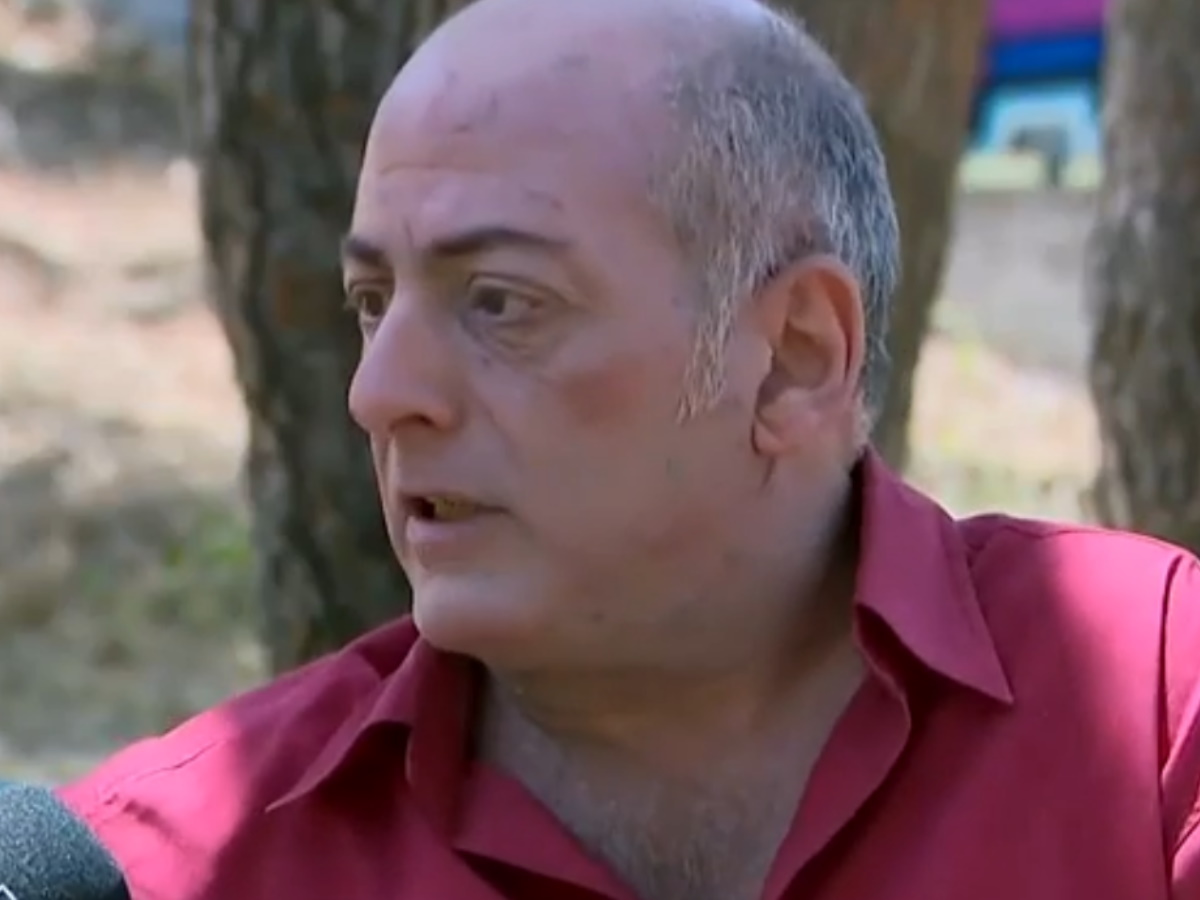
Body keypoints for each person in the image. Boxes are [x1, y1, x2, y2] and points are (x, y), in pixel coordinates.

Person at [58, 0, 1200, 897]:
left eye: (500, 302)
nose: (379, 394)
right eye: (371, 302)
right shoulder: (171, 866)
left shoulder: (1153, 714)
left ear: (795, 357)